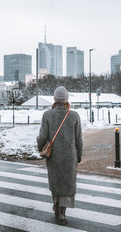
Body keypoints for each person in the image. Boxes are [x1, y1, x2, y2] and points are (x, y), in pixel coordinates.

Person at [37, 86, 83, 225]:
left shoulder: (47, 115)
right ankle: (62, 213)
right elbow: (78, 139)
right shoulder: (74, 115)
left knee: (55, 182)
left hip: (53, 157)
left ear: (55, 99)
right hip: (70, 157)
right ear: (66, 100)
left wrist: (40, 148)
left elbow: (43, 137)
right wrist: (79, 155)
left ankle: (56, 206)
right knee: (67, 185)